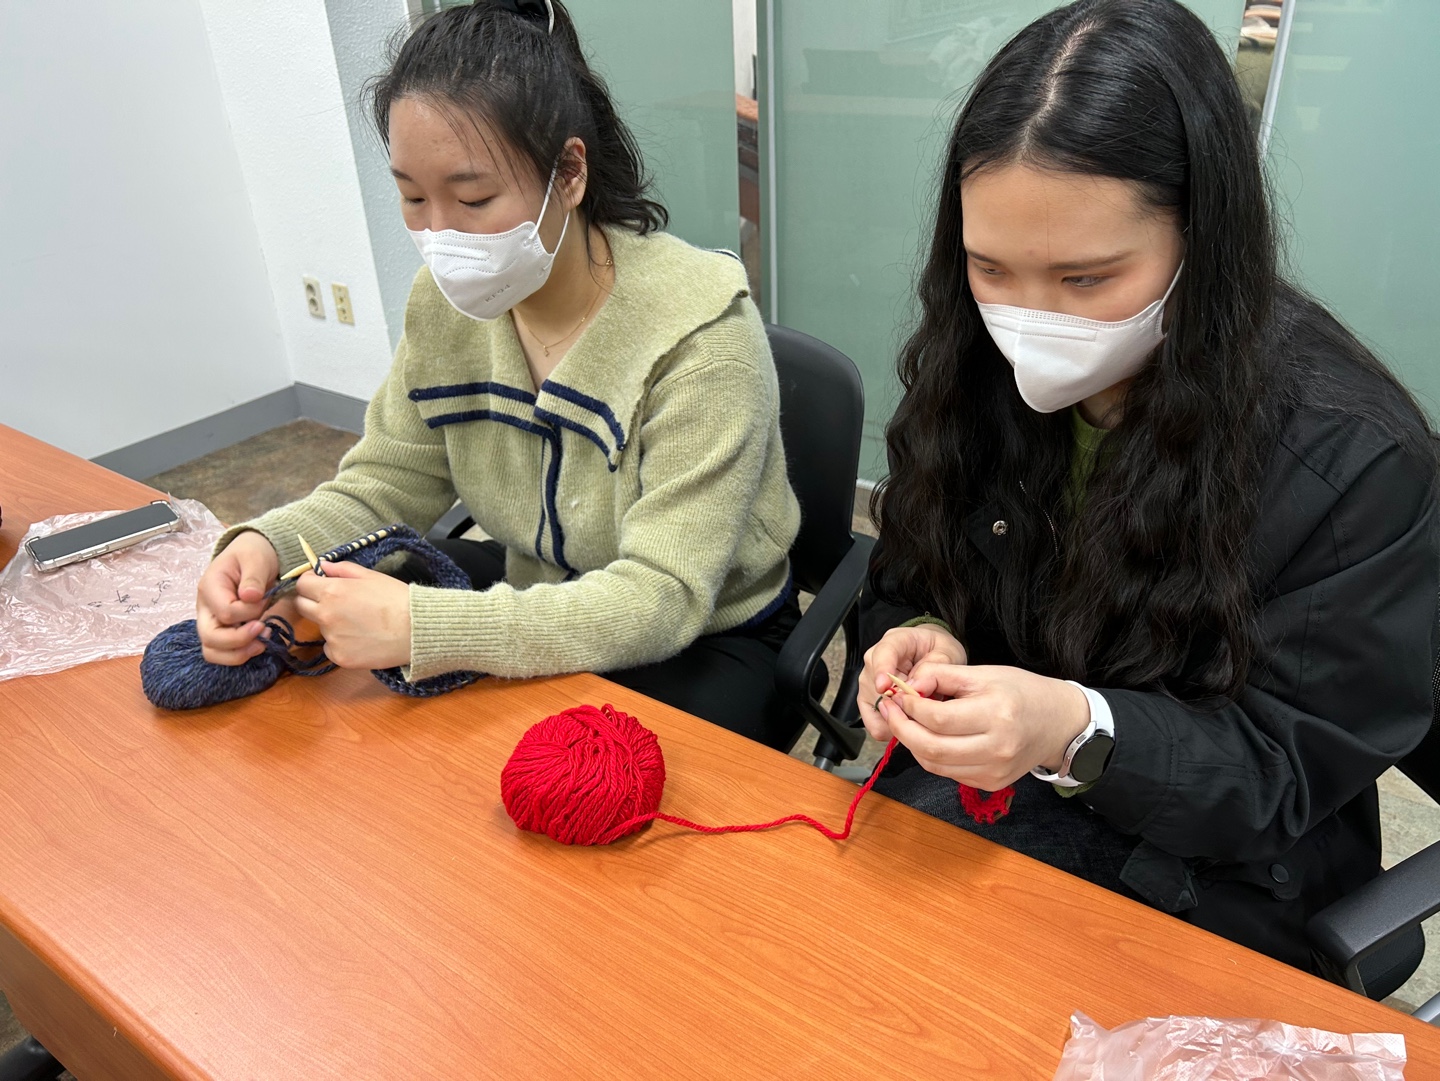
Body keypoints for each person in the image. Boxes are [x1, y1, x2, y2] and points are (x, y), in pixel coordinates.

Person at [857, 0, 1438, 976]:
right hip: (999, 817)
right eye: (990, 266)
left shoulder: (1351, 461)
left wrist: (1076, 730)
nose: (1030, 321)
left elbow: (1278, 773)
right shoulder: (972, 369)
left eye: (1086, 280)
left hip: (1227, 876)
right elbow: (908, 568)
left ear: (1202, 239)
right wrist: (922, 634)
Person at [194, 0, 803, 749]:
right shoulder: (443, 309)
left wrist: (426, 627)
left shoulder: (701, 337)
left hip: (705, 631)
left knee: (545, 781)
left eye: (474, 198)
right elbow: (385, 482)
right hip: (540, 581)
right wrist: (268, 547)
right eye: (412, 197)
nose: (439, 234)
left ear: (569, 173)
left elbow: (661, 596)